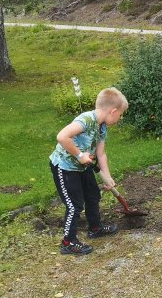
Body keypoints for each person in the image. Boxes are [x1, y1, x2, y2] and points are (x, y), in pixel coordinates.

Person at [49, 87, 128, 255]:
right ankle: (68, 242)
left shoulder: (102, 127)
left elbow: (100, 153)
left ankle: (95, 228)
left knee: (93, 195)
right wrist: (79, 155)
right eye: (120, 114)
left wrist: (107, 177)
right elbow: (62, 136)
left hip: (83, 167)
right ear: (113, 111)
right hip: (65, 167)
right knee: (74, 205)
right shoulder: (86, 120)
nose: (120, 118)